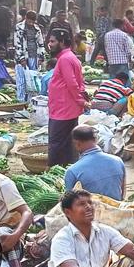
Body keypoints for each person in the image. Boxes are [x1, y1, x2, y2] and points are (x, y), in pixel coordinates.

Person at [47, 29, 87, 166]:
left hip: (63, 111)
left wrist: (80, 100)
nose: (49, 44)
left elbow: (73, 84)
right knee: (67, 145)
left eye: (52, 41)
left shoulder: (65, 59)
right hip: (65, 109)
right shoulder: (69, 57)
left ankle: (54, 173)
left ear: (62, 42)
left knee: (56, 145)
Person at [63, 125, 126, 201]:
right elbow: (123, 194)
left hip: (91, 212)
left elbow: (69, 203)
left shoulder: (72, 171)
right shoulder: (118, 161)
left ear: (77, 143)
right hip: (117, 210)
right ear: (96, 140)